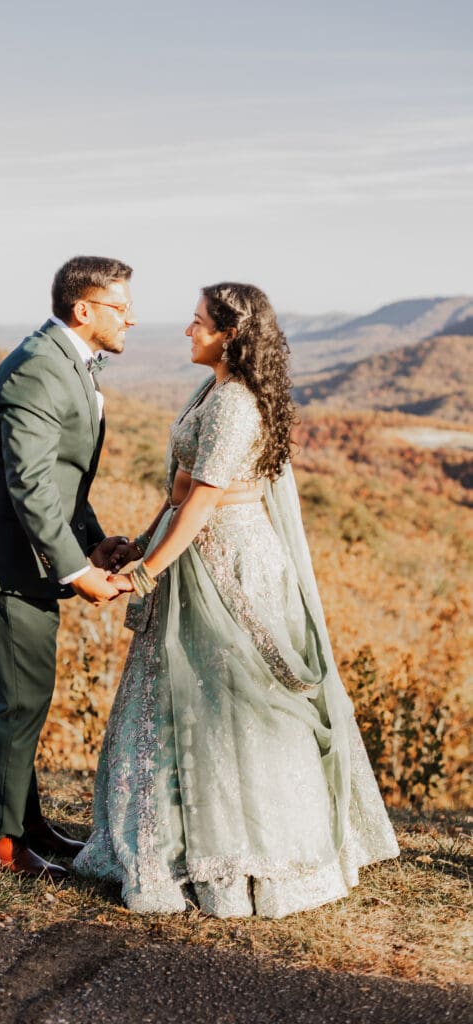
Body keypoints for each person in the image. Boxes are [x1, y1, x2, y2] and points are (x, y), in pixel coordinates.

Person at [74, 282, 399, 918]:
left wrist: (144, 574)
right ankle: (170, 841)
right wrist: (137, 546)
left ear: (231, 334)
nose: (187, 332)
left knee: (232, 704)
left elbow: (202, 503)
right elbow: (180, 490)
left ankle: (246, 859)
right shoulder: (212, 391)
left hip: (232, 566)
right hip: (196, 555)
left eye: (199, 323)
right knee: (179, 700)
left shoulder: (234, 406)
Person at [0, 255, 134, 881]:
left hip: (27, 557)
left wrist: (94, 544)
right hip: (1, 560)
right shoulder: (37, 370)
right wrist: (78, 573)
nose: (131, 317)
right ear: (84, 310)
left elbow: (61, 483)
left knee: (25, 698)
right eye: (120, 307)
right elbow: (28, 487)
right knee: (19, 703)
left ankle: (27, 825)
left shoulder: (64, 361)